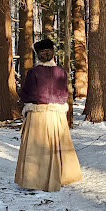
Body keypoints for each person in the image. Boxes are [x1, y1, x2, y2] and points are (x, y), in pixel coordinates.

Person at [15, 38, 82, 192]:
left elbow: (27, 94)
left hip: (38, 114)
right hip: (56, 114)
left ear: (38, 55)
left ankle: (35, 179)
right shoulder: (61, 72)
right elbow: (65, 93)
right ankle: (63, 175)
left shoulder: (33, 72)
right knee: (58, 145)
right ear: (52, 54)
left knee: (37, 148)